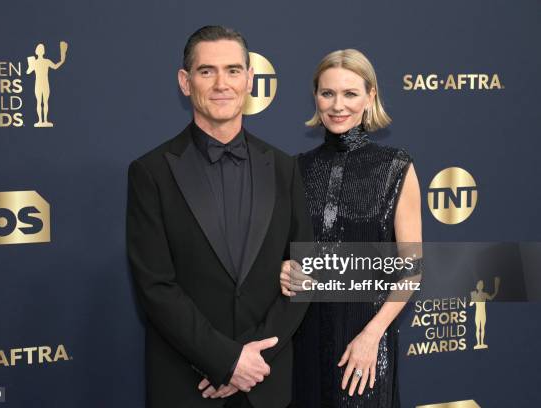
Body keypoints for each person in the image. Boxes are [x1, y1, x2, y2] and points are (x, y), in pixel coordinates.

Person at [126, 26, 313, 408]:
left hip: (266, 383)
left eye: (232, 70)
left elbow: (304, 272)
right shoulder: (151, 172)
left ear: (249, 79)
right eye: (206, 71)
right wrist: (226, 361)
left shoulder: (283, 167)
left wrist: (252, 362)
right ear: (185, 81)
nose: (221, 83)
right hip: (187, 384)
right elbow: (156, 287)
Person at [280, 49, 422, 407]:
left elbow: (411, 270)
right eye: (328, 93)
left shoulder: (396, 168)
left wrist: (371, 336)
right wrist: (282, 269)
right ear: (315, 97)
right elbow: (282, 251)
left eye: (350, 93)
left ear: (370, 96)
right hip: (304, 340)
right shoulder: (296, 169)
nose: (337, 105)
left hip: (366, 343)